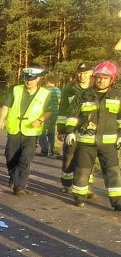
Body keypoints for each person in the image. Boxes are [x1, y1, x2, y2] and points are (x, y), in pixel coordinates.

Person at [64, 60, 121, 210]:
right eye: (98, 77)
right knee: (82, 171)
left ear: (112, 79)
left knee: (113, 172)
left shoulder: (117, 96)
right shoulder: (83, 95)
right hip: (85, 141)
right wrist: (70, 132)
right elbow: (72, 115)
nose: (101, 80)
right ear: (94, 78)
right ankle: (79, 197)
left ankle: (117, 202)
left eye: (105, 78)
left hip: (108, 143)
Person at [0, 67, 51, 196]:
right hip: (15, 129)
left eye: (32, 79)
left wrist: (40, 120)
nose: (29, 81)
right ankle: (13, 176)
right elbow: (6, 106)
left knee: (25, 158)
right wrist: (1, 120)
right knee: (10, 156)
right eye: (27, 78)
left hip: (31, 132)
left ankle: (20, 186)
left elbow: (49, 110)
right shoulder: (16, 90)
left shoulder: (45, 94)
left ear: (38, 79)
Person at [56, 62, 94, 193]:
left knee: (87, 158)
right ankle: (66, 183)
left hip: (90, 130)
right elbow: (62, 110)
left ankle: (85, 186)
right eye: (80, 72)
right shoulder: (69, 89)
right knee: (69, 157)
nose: (82, 75)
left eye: (85, 72)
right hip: (71, 128)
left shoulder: (96, 87)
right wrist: (61, 130)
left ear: (91, 72)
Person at [37, 75, 62, 157]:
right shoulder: (58, 90)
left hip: (46, 113)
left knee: (42, 131)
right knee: (51, 132)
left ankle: (44, 150)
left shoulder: (45, 90)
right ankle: (51, 150)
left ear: (48, 81)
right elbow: (59, 101)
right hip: (55, 113)